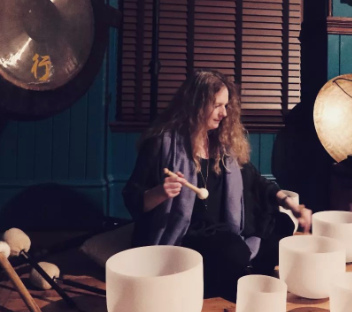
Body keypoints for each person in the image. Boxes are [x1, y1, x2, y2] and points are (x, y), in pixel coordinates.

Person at [122, 69, 312, 300]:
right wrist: (160, 192)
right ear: (195, 104)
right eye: (217, 105)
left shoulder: (222, 144)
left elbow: (256, 182)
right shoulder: (162, 145)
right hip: (187, 236)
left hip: (225, 228)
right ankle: (229, 276)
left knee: (281, 224)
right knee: (232, 252)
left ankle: (235, 275)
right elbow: (132, 197)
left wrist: (290, 203)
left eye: (226, 105)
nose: (224, 113)